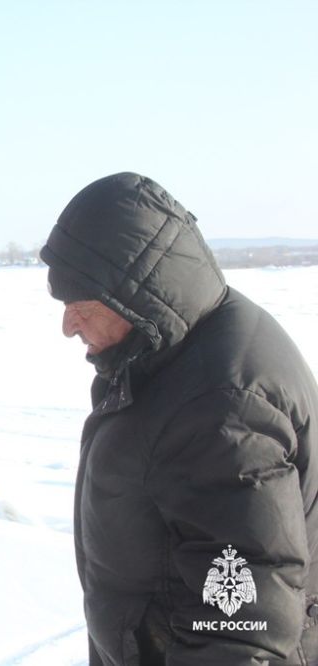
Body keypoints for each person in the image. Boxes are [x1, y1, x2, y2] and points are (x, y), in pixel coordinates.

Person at [40, 171, 318, 665]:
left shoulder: (222, 405)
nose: (67, 326)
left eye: (79, 305)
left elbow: (242, 628)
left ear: (133, 294)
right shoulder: (165, 350)